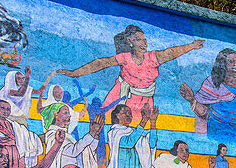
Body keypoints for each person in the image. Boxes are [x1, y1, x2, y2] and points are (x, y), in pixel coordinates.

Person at [52, 25, 205, 123]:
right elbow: (101, 63)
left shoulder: (152, 57)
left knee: (138, 131)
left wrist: (191, 46)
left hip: (144, 100)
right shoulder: (125, 58)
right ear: (130, 42)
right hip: (121, 95)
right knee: (106, 125)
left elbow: (171, 53)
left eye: (145, 40)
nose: (144, 43)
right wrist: (74, 73)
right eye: (138, 40)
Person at [39, 101, 103, 168]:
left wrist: (95, 136)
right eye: (65, 113)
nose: (69, 116)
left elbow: (85, 151)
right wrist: (91, 133)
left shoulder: (68, 136)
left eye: (69, 113)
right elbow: (73, 151)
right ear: (55, 114)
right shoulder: (52, 134)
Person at [102, 103, 157, 168]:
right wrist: (143, 121)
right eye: (125, 113)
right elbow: (129, 142)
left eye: (130, 113)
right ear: (117, 115)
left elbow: (151, 143)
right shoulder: (115, 132)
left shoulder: (133, 131)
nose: (128, 115)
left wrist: (153, 123)